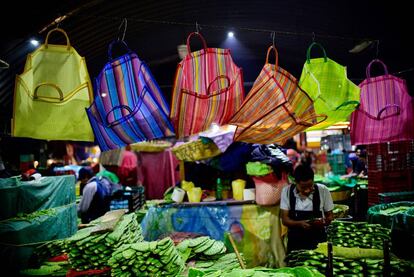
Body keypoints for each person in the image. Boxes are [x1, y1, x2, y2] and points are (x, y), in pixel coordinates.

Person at [280, 164, 334, 253]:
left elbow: (330, 216)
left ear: (313, 180)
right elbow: (285, 220)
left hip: (318, 241)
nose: (307, 190)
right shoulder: (287, 192)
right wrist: (300, 223)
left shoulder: (323, 190)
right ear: (295, 182)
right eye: (303, 188)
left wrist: (321, 222)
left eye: (310, 186)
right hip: (295, 242)